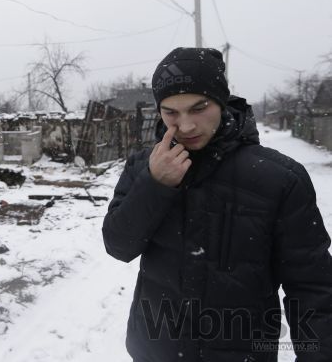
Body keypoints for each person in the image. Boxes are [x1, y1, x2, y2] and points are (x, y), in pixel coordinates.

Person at [102, 47, 332, 362]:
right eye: (171, 112)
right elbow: (118, 245)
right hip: (156, 350)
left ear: (221, 102)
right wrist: (155, 184)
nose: (185, 126)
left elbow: (312, 288)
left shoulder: (280, 178)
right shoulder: (144, 166)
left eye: (199, 108)